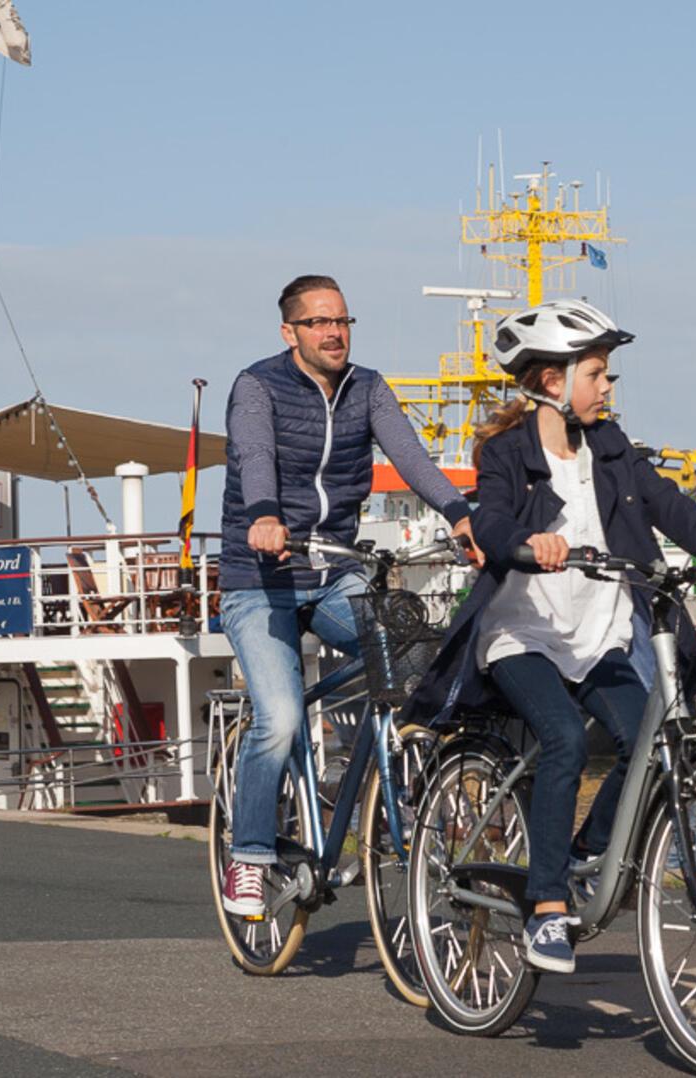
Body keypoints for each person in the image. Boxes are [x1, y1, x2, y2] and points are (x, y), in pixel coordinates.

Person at [401, 299, 696, 973]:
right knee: (566, 738)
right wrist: (526, 542)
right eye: (598, 373)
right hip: (523, 636)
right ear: (553, 381)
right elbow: (489, 524)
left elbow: (669, 506)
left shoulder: (609, 446)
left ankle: (581, 854)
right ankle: (547, 906)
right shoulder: (508, 453)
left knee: (650, 741)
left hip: (597, 634)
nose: (609, 386)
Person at [219, 274, 481, 917]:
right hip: (262, 580)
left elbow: (412, 457)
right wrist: (263, 515)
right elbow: (255, 456)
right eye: (318, 323)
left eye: (341, 321)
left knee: (413, 656)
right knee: (279, 720)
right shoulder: (258, 386)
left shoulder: (369, 388)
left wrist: (457, 512)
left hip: (336, 571)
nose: (334, 332)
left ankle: (395, 792)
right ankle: (248, 856)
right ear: (291, 332)